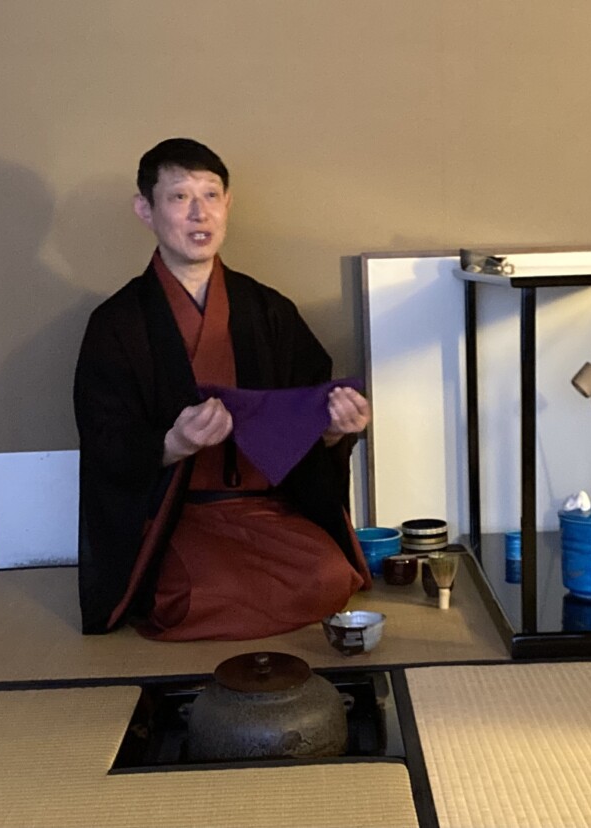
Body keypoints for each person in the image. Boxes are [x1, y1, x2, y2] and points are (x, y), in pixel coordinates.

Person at [74, 137, 373, 639]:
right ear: (145, 210)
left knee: (329, 577)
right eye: (179, 197)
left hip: (267, 510)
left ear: (228, 204)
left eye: (211, 195)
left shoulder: (269, 310)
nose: (200, 213)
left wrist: (335, 429)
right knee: (193, 596)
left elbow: (306, 413)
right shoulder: (117, 324)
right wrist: (174, 443)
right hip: (176, 518)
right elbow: (106, 441)